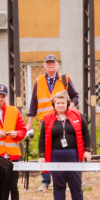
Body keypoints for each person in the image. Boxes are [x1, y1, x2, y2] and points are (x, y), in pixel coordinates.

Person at [26, 54, 79, 192]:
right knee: (44, 150)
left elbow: (75, 96)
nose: (50, 65)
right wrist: (30, 121)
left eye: (53, 63)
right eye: (48, 63)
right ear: (44, 65)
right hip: (46, 121)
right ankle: (45, 181)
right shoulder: (39, 81)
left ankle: (66, 181)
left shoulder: (65, 79)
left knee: (63, 150)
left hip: (62, 120)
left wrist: (71, 107)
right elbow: (33, 102)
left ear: (57, 65)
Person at [37, 91, 91, 200]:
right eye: (57, 103)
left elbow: (86, 133)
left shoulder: (77, 115)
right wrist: (42, 156)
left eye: (62, 102)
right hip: (55, 155)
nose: (60, 105)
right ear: (53, 105)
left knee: (76, 185)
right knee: (59, 185)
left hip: (73, 155)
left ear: (67, 104)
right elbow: (42, 138)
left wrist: (87, 151)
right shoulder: (47, 118)